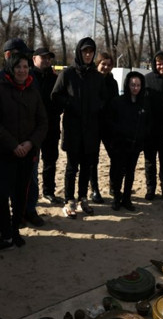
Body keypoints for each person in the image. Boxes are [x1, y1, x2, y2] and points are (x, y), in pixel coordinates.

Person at [0, 51, 47, 253]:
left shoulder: (33, 91)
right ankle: (5, 234)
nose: (22, 70)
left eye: (26, 67)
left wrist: (30, 143)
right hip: (7, 151)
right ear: (11, 68)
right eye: (19, 66)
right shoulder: (0, 89)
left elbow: (42, 122)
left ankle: (15, 231)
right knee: (2, 195)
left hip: (28, 152)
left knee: (21, 194)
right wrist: (14, 145)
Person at [51, 37, 106, 218]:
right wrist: (70, 104)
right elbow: (55, 95)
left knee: (87, 166)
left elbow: (104, 99)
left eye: (91, 51)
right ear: (79, 52)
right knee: (72, 167)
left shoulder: (97, 77)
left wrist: (97, 105)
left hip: (91, 129)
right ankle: (69, 199)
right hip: (73, 128)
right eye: (85, 51)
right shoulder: (67, 74)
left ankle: (83, 197)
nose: (88, 55)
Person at [109, 71, 149, 211]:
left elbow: (146, 124)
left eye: (138, 85)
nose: (135, 88)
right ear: (127, 85)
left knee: (131, 172)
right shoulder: (118, 102)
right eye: (132, 85)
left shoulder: (144, 104)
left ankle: (127, 198)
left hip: (135, 144)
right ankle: (116, 198)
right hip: (120, 144)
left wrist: (141, 140)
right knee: (118, 172)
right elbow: (111, 122)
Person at [32, 47, 64, 205]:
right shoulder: (28, 76)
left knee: (50, 160)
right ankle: (31, 193)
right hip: (31, 128)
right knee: (31, 162)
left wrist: (56, 110)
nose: (46, 60)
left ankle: (48, 191)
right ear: (34, 59)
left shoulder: (55, 78)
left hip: (51, 125)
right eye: (42, 57)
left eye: (48, 58)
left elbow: (60, 100)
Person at [143, 51, 163, 201]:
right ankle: (150, 188)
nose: (161, 66)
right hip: (150, 128)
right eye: (158, 64)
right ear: (154, 65)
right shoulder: (147, 79)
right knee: (149, 161)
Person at [90, 51, 119, 204]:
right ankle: (94, 189)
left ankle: (113, 187)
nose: (106, 67)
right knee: (93, 159)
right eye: (103, 64)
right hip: (93, 125)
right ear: (98, 64)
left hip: (108, 125)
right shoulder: (91, 80)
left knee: (114, 156)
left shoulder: (113, 82)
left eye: (109, 64)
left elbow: (115, 103)